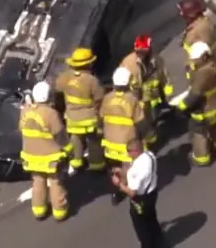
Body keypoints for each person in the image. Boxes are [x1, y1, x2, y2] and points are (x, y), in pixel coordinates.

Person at [19, 80, 72, 221]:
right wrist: (69, 150)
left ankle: (39, 210)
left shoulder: (25, 111)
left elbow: (21, 129)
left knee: (38, 182)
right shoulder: (51, 114)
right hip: (51, 157)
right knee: (56, 183)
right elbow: (60, 135)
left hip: (31, 156)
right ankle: (59, 212)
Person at [177, 41, 216, 166]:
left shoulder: (202, 74)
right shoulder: (215, 65)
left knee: (198, 132)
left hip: (206, 112)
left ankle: (202, 158)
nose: (193, 62)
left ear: (204, 57)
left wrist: (180, 108)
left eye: (196, 60)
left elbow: (194, 96)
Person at [54, 47, 106, 172]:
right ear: (88, 64)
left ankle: (76, 162)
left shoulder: (64, 77)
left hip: (72, 119)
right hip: (90, 119)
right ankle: (97, 165)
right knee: (94, 141)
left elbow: (58, 93)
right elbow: (100, 100)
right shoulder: (92, 80)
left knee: (75, 140)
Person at [100, 67, 147, 205]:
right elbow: (141, 123)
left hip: (110, 142)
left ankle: (117, 187)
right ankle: (126, 190)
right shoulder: (131, 100)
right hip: (127, 142)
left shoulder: (107, 98)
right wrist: (148, 136)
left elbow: (101, 117)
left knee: (116, 167)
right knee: (128, 166)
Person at [110, 138, 168, 248]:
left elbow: (132, 192)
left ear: (136, 151)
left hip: (141, 200)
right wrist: (122, 171)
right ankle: (160, 242)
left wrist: (118, 184)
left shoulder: (136, 170)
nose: (127, 153)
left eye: (129, 150)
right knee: (151, 218)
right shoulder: (149, 156)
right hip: (152, 193)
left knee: (141, 226)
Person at [118, 35, 174, 146]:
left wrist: (166, 86)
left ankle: (149, 138)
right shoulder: (129, 63)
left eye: (144, 50)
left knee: (149, 117)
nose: (141, 53)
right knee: (139, 122)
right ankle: (142, 142)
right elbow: (123, 82)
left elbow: (162, 72)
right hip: (136, 98)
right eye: (139, 51)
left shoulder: (155, 59)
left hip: (150, 96)